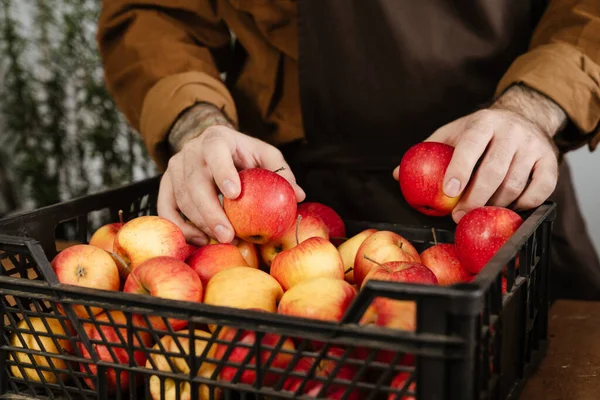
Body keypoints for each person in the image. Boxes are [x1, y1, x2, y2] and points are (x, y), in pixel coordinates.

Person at [96, 1, 600, 300]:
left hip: (500, 183)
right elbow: (153, 13)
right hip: (280, 190)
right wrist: (197, 121)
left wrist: (534, 105)